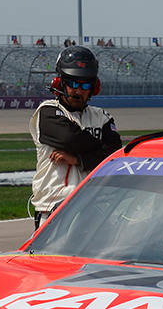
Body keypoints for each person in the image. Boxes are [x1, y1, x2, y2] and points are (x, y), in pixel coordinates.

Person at [29, 46, 122, 228]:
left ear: (94, 87)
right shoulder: (47, 112)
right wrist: (100, 150)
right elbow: (70, 139)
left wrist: (77, 158)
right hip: (55, 206)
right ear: (60, 83)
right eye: (73, 84)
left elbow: (115, 154)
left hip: (94, 207)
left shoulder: (102, 116)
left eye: (85, 85)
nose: (78, 91)